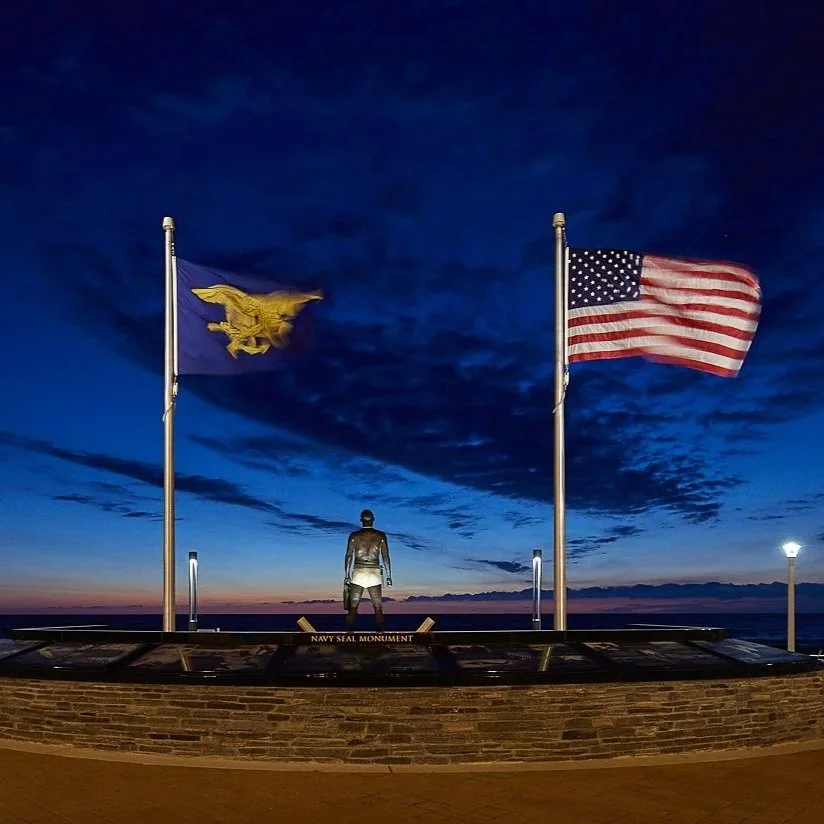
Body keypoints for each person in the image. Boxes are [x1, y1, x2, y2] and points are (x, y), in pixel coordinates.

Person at [344, 509, 392, 631]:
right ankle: (381, 634)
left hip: (358, 572)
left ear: (360, 520)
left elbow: (348, 556)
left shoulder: (354, 536)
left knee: (353, 607)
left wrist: (347, 575)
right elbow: (386, 557)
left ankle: (349, 635)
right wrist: (388, 576)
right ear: (373, 519)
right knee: (378, 607)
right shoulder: (380, 536)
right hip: (374, 573)